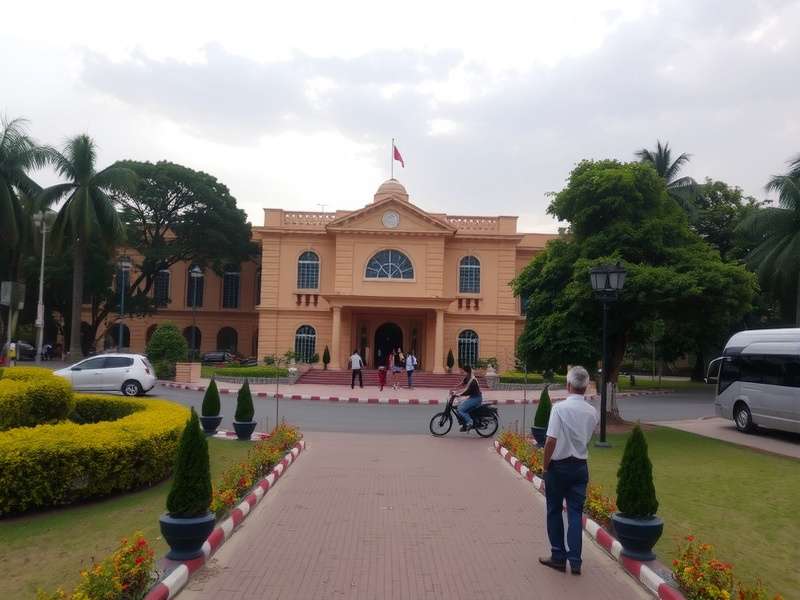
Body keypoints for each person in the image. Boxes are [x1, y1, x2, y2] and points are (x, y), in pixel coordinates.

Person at [539, 365, 599, 576]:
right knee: (575, 514)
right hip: (580, 467)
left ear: (568, 385)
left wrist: (545, 467)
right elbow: (587, 438)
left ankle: (558, 556)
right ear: (586, 386)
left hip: (559, 467)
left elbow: (550, 441)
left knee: (554, 511)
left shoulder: (559, 408)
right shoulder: (592, 412)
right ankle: (575, 561)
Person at [451, 365, 482, 431]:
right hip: (472, 397)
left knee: (461, 410)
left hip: (476, 398)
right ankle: (464, 425)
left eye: (463, 371)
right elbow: (463, 383)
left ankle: (470, 422)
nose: (462, 372)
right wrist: (454, 388)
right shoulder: (468, 377)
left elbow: (467, 391)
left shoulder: (473, 381)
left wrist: (458, 394)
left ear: (467, 371)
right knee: (458, 407)